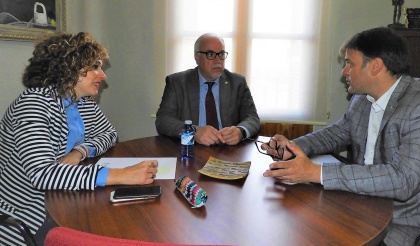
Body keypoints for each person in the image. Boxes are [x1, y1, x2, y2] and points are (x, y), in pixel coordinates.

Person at [262, 27, 420, 246]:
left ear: (375, 66)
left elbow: (404, 179)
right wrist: (293, 146)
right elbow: (335, 134)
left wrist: (316, 173)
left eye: (349, 63)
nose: (344, 71)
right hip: (365, 206)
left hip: (409, 223)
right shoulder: (362, 99)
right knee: (297, 228)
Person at [0, 32, 158, 246]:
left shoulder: (81, 102)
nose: (103, 75)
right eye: (95, 67)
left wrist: (80, 152)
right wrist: (121, 175)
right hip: (27, 214)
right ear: (68, 68)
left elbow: (109, 134)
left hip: (60, 198)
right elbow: (41, 174)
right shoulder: (33, 105)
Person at [156, 33, 260, 146]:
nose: (218, 60)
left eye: (221, 54)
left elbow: (252, 117)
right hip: (190, 149)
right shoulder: (177, 82)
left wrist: (241, 131)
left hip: (228, 151)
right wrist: (193, 131)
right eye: (211, 54)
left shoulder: (237, 82)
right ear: (197, 57)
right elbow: (163, 120)